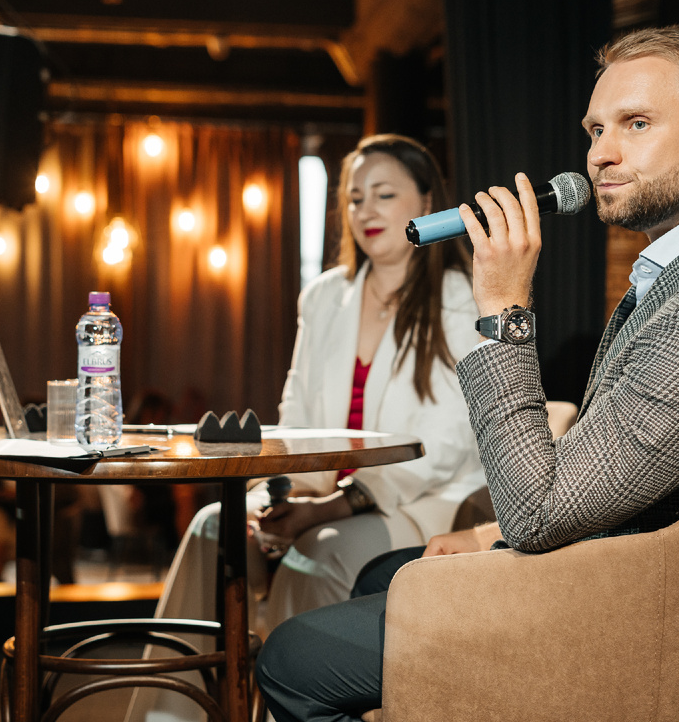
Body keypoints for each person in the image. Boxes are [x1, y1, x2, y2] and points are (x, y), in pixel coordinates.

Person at [255, 24, 679, 722]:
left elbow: (537, 515)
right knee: (382, 572)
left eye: (636, 124)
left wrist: (503, 308)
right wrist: (481, 537)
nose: (601, 155)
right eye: (594, 130)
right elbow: (605, 473)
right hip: (622, 572)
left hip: (637, 627)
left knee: (293, 659)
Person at [126, 134, 484, 722]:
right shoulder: (323, 296)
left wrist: (325, 511)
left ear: (426, 199)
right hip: (320, 493)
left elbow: (443, 447)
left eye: (384, 194)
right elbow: (297, 420)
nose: (366, 210)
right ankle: (167, 715)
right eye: (354, 198)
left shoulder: (459, 295)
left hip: (421, 501)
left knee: (315, 555)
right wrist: (281, 497)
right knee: (215, 527)